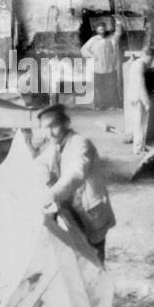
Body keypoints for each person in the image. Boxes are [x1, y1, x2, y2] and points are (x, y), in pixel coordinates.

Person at [33, 103, 116, 264]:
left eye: (54, 126)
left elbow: (76, 174)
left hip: (90, 211)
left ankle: (101, 284)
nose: (49, 133)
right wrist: (41, 176)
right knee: (79, 255)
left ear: (66, 122)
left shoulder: (81, 143)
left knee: (95, 257)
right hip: (72, 210)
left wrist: (50, 194)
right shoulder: (55, 146)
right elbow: (40, 163)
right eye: (45, 128)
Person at [81, 18, 123, 110]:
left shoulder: (110, 39)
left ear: (105, 30)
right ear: (96, 30)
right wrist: (92, 56)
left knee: (111, 88)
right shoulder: (93, 40)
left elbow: (118, 34)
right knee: (99, 89)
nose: (102, 30)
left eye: (103, 29)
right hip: (98, 69)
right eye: (100, 29)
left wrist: (118, 23)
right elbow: (83, 50)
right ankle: (100, 106)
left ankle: (113, 106)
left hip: (110, 68)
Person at [123, 46, 154, 156]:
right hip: (138, 98)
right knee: (139, 124)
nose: (151, 61)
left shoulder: (137, 63)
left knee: (139, 123)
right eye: (151, 58)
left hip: (134, 96)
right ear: (148, 56)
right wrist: (147, 102)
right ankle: (138, 149)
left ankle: (141, 146)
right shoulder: (140, 65)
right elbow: (140, 85)